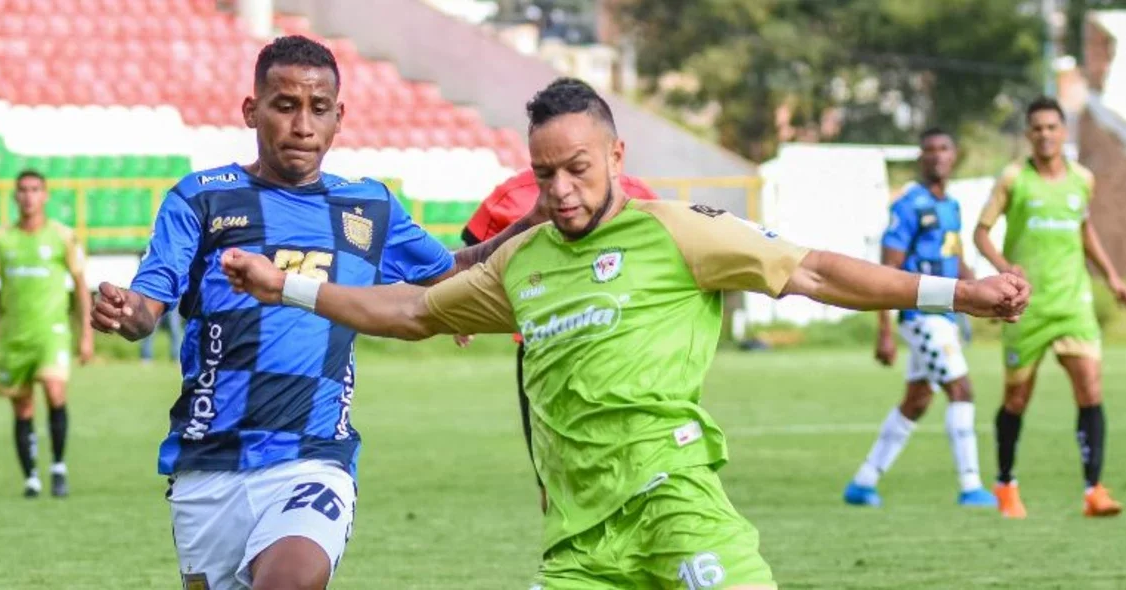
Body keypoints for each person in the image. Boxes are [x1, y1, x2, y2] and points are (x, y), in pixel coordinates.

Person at [220, 78, 1031, 589]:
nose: (561, 190)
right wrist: (287, 286)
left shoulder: (680, 232)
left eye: (577, 167)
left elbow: (815, 271)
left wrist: (959, 291)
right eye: (544, 174)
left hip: (674, 500)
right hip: (577, 539)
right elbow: (410, 312)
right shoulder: (524, 261)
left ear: (615, 153)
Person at [89, 36, 540, 590]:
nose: (303, 125)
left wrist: (533, 222)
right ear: (252, 111)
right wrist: (123, 310)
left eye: (318, 109)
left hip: (314, 458)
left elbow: (450, 269)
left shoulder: (367, 206)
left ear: (339, 116)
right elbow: (146, 308)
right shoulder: (203, 199)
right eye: (285, 106)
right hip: (210, 465)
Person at [460, 168, 658, 512]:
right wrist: (464, 312)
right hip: (543, 355)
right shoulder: (512, 194)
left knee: (636, 473)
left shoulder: (636, 194)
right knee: (554, 485)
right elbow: (475, 251)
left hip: (621, 353)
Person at [973, 96, 1126, 519]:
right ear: (1028, 134)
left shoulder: (1082, 179)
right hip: (1027, 306)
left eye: (1051, 127)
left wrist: (1112, 275)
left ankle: (1094, 490)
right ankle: (1005, 485)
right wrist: (1005, 271)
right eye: (1036, 128)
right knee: (1017, 398)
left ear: (1063, 132)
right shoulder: (1013, 179)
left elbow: (1084, 228)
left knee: (1091, 389)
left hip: (1072, 303)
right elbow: (981, 234)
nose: (1044, 134)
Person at [842, 128, 995, 508]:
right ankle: (971, 486)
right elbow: (886, 271)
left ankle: (863, 482)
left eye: (943, 148)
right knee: (961, 390)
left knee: (918, 399)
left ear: (954, 154)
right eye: (929, 150)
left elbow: (956, 259)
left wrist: (987, 297)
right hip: (922, 316)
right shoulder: (908, 205)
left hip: (945, 316)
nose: (937, 156)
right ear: (920, 158)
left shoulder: (952, 206)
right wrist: (885, 332)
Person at [0, 169, 94, 499]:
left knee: (56, 392)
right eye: (23, 190)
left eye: (35, 190)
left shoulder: (62, 236)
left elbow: (82, 285)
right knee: (22, 406)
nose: (28, 196)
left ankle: (57, 466)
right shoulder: (1, 238)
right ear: (15, 195)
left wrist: (85, 332)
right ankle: (30, 476)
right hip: (14, 334)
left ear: (45, 195)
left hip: (51, 332)